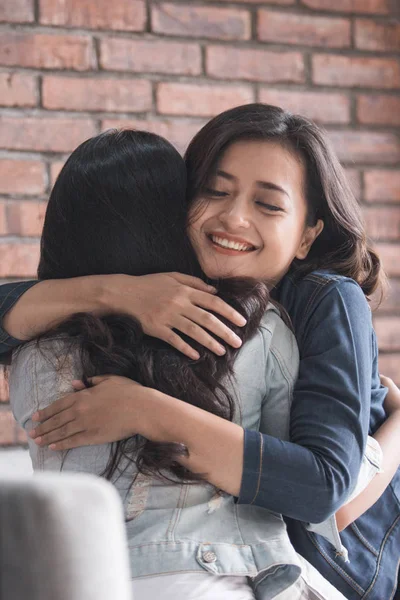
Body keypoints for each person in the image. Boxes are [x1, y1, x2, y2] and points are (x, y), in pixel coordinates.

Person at [2, 104, 400, 598]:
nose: (233, 217)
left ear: (308, 234)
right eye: (216, 190)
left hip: (346, 564)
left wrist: (144, 410)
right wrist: (118, 291)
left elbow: (323, 494)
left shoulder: (324, 299)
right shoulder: (177, 299)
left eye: (269, 205)